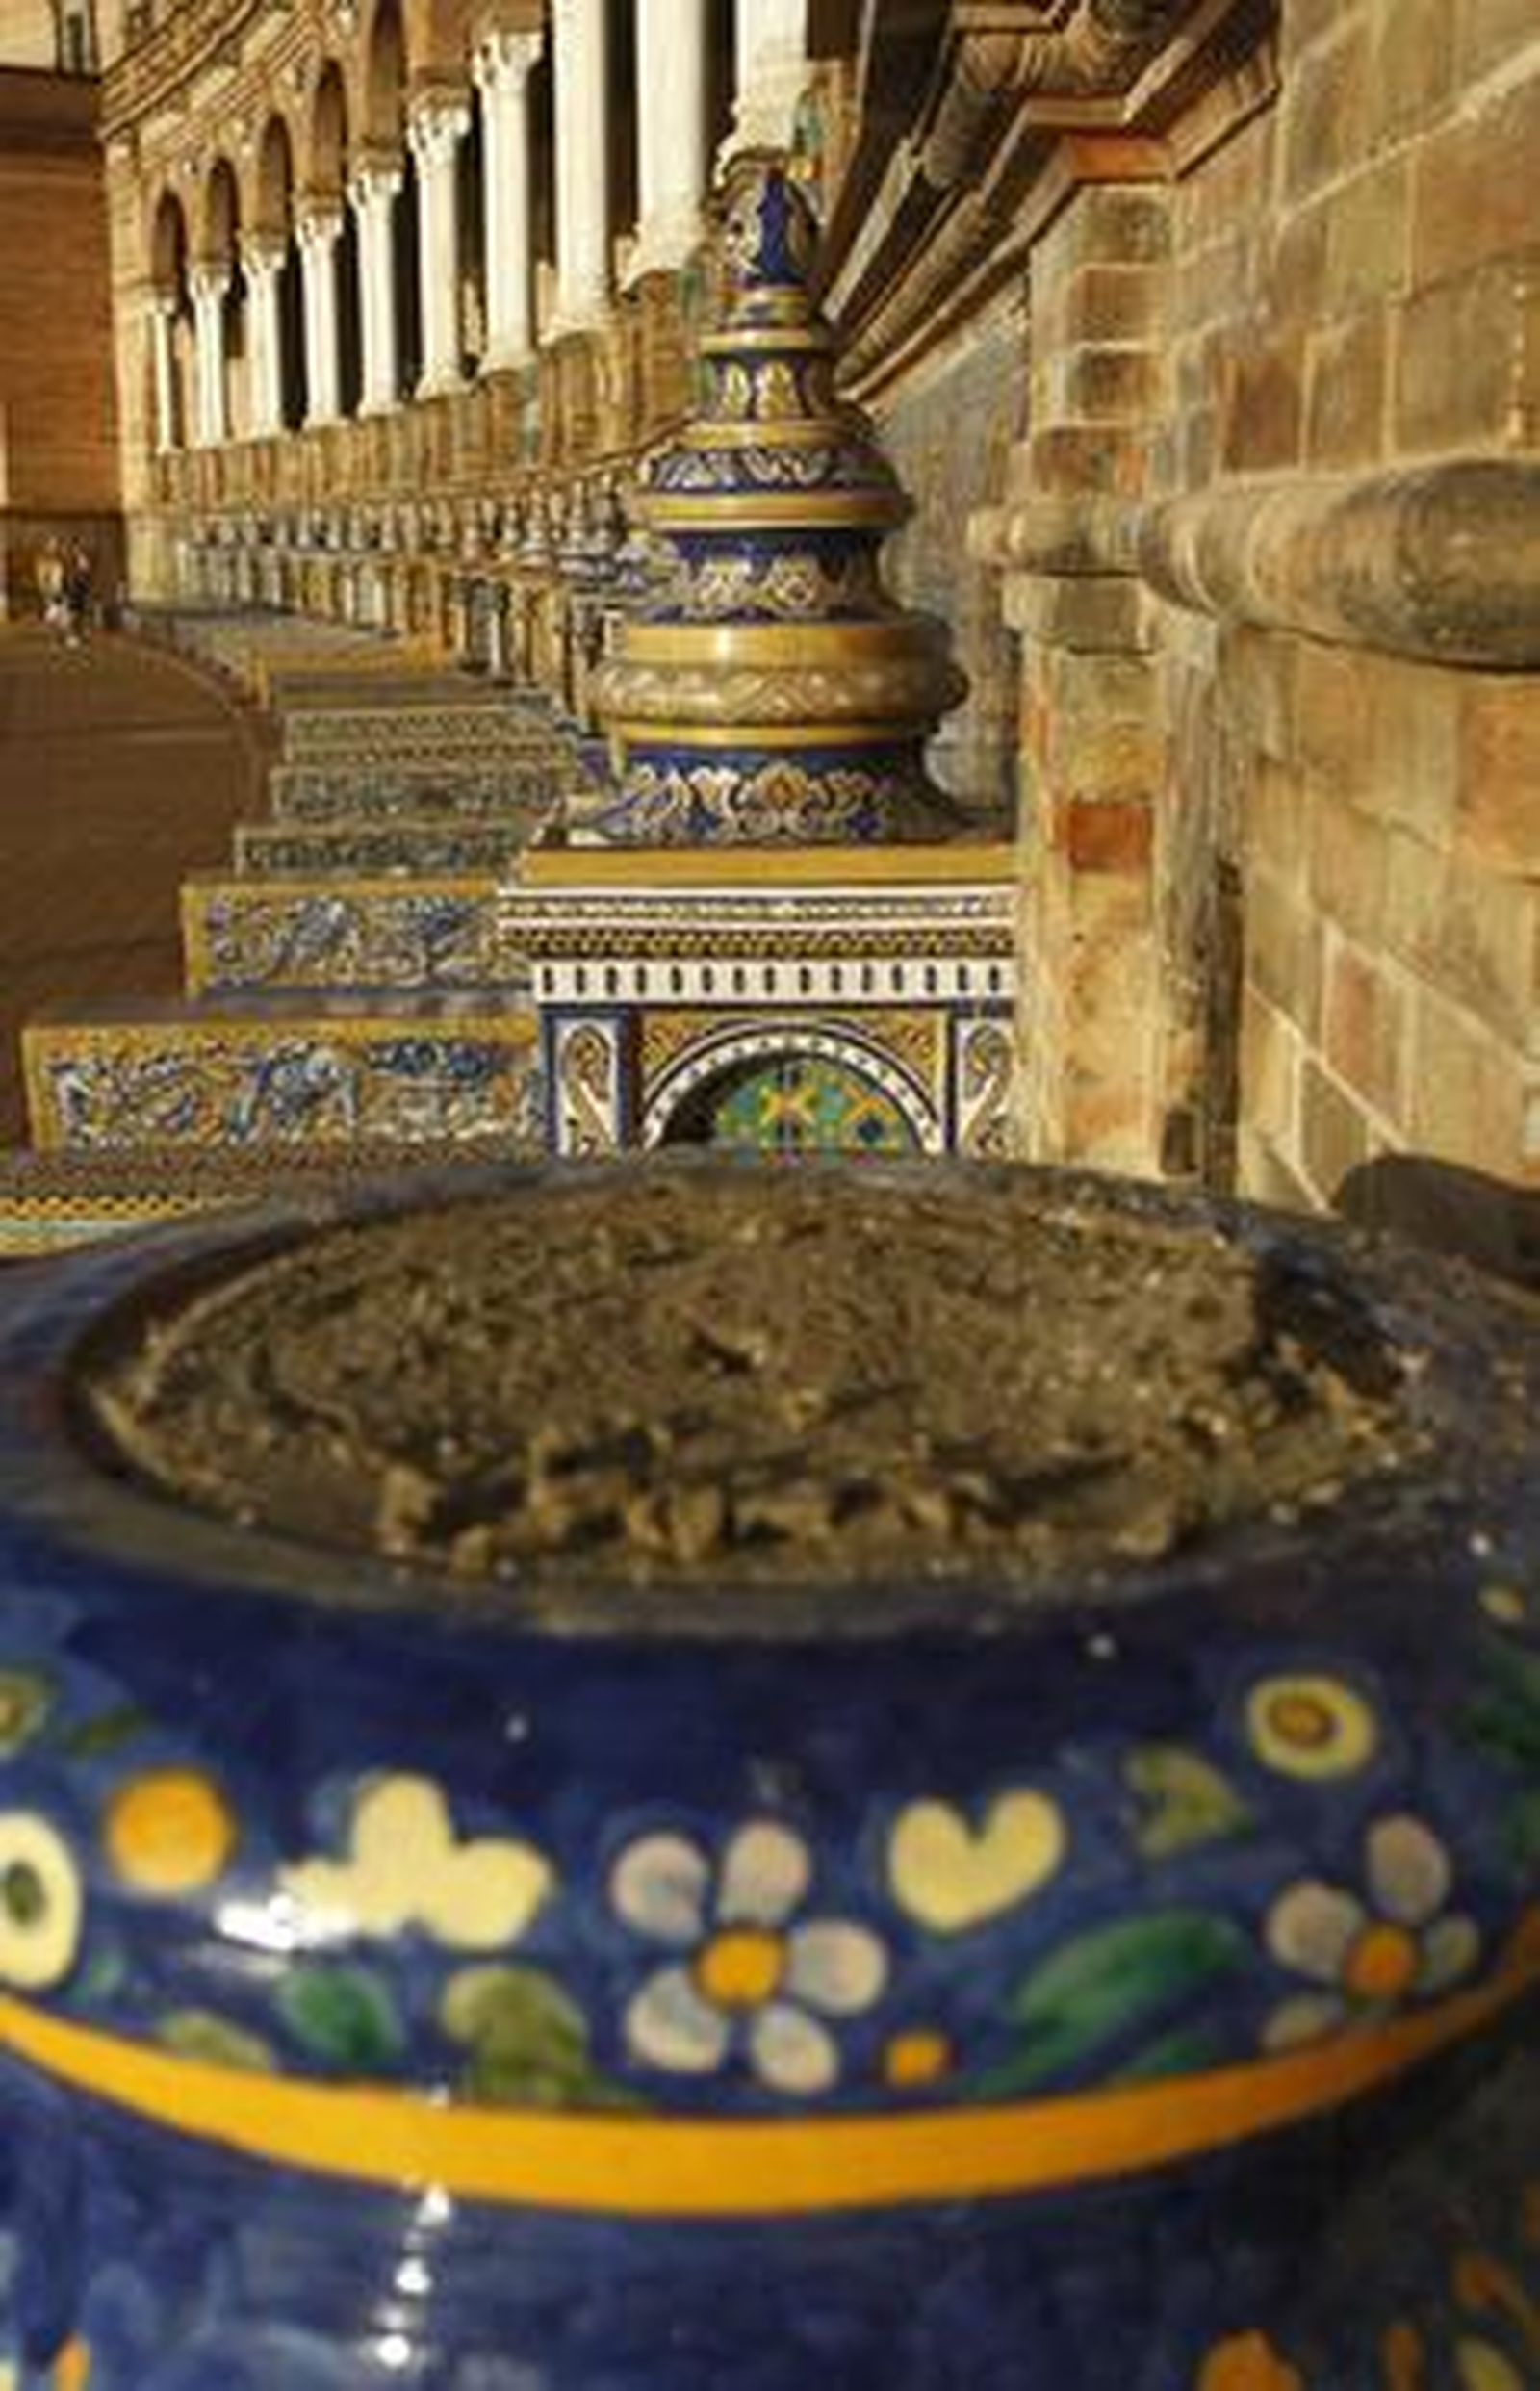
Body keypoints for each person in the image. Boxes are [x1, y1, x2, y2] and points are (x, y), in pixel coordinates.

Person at [63, 543, 93, 646]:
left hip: (80, 593)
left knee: (80, 616)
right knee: (73, 616)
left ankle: (79, 636)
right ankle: (73, 636)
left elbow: (86, 579)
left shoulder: (81, 562)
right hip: (74, 594)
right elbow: (68, 580)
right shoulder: (70, 564)